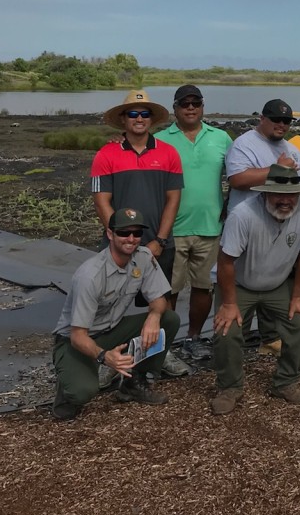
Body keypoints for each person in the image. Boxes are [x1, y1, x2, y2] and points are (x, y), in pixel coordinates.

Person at [210, 165, 300, 414]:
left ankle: (285, 382)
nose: (285, 200)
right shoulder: (243, 214)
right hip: (238, 283)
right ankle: (229, 387)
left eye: (292, 194)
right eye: (278, 194)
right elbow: (225, 261)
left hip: (277, 283)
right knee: (227, 329)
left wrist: (298, 295)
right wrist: (229, 304)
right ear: (264, 193)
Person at [90, 89, 188, 377]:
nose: (139, 118)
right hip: (116, 245)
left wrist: (159, 240)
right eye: (132, 113)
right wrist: (120, 240)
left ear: (152, 119)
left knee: (162, 302)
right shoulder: (105, 154)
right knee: (107, 303)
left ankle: (162, 353)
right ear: (123, 119)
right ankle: (108, 359)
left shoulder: (169, 153)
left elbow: (173, 199)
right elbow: (101, 201)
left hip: (158, 243)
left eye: (144, 114)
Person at [51, 207, 181, 420]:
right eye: (124, 233)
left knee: (169, 319)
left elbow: (159, 300)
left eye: (137, 233)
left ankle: (134, 383)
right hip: (76, 340)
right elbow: (78, 336)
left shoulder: (143, 257)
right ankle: (66, 388)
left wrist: (154, 316)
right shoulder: (90, 276)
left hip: (112, 330)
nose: (131, 239)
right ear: (110, 234)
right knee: (82, 392)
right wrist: (104, 357)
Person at [153, 84, 232, 361]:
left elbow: (236, 175)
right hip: (171, 230)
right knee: (168, 290)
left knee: (203, 287)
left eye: (195, 103)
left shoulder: (221, 138)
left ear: (202, 107)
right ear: (174, 108)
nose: (190, 108)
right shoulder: (160, 139)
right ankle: (166, 343)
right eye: (184, 104)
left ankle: (194, 337)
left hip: (210, 229)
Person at [225, 99, 300, 214]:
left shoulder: (294, 151)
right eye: (276, 119)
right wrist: (279, 170)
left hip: (282, 222)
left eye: (286, 121)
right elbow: (237, 180)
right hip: (246, 220)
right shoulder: (243, 144)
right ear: (262, 119)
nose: (281, 125)